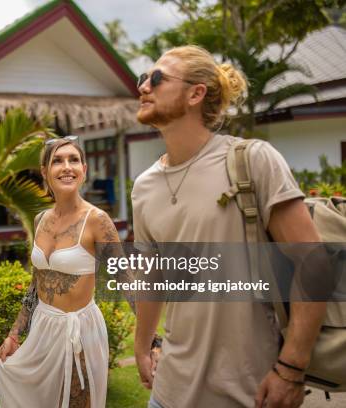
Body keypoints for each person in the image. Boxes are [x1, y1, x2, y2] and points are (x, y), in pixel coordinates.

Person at [131, 45, 326, 408]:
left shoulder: (252, 160)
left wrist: (291, 368)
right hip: (167, 394)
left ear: (195, 93)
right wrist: (142, 347)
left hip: (249, 394)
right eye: (142, 79)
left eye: (156, 78)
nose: (143, 87)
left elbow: (313, 263)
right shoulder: (144, 187)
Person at [0, 136, 120, 408]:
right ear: (44, 172)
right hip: (43, 328)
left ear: (84, 169)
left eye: (74, 160)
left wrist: (153, 341)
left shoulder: (97, 220)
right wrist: (14, 334)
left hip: (80, 331)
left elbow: (127, 280)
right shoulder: (40, 220)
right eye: (57, 161)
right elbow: (35, 284)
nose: (67, 167)